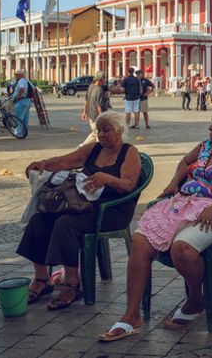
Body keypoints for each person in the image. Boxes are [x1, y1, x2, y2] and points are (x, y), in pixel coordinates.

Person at [98, 105, 212, 341]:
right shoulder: (205, 146)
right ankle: (131, 316)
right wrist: (175, 182)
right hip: (182, 204)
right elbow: (184, 162)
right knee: (139, 241)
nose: (210, 126)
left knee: (182, 248)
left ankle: (196, 299)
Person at [18, 111, 142, 310]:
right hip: (84, 205)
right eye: (99, 130)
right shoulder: (94, 149)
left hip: (112, 211)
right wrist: (44, 164)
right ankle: (42, 279)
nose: (101, 134)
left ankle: (72, 284)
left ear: (119, 131)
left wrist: (107, 179)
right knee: (39, 219)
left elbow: (128, 185)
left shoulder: (129, 152)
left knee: (65, 223)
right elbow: (65, 161)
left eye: (106, 130)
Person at [81, 71, 106, 146]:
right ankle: (99, 149)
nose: (105, 80)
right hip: (96, 116)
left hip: (90, 114)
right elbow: (99, 105)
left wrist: (85, 112)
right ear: (100, 79)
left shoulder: (91, 86)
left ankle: (83, 145)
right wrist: (101, 117)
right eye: (104, 78)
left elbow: (86, 100)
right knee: (98, 134)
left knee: (95, 133)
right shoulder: (99, 89)